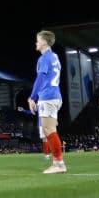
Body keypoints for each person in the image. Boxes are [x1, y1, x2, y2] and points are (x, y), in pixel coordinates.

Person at [30, 30, 66, 174]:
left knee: (49, 130)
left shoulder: (44, 58)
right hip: (55, 96)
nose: (36, 43)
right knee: (50, 130)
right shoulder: (55, 57)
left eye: (38, 40)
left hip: (48, 97)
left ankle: (59, 164)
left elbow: (40, 78)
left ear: (44, 41)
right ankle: (57, 163)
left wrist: (32, 97)